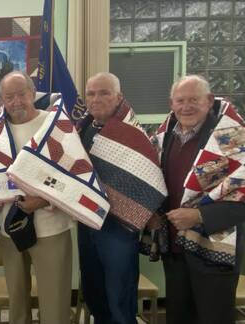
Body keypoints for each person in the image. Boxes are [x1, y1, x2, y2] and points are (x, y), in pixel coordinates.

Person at [148, 74, 245, 324]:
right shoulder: (164, 136)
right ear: (171, 103)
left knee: (214, 317)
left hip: (214, 249)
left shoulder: (233, 137)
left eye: (194, 99)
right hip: (175, 246)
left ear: (209, 100)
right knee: (179, 317)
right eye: (180, 100)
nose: (186, 106)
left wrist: (200, 216)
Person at [0, 71, 75, 324]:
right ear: (1, 100)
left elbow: (73, 173)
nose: (16, 101)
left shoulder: (56, 125)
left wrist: (43, 200)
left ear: (33, 93)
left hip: (51, 229)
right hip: (10, 228)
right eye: (9, 96)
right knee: (17, 306)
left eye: (22, 94)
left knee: (54, 305)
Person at [76, 72, 166, 324]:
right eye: (91, 93)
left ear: (119, 97)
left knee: (119, 294)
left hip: (118, 226)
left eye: (104, 93)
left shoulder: (133, 134)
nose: (96, 99)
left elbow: (149, 179)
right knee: (94, 290)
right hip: (87, 221)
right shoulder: (81, 128)